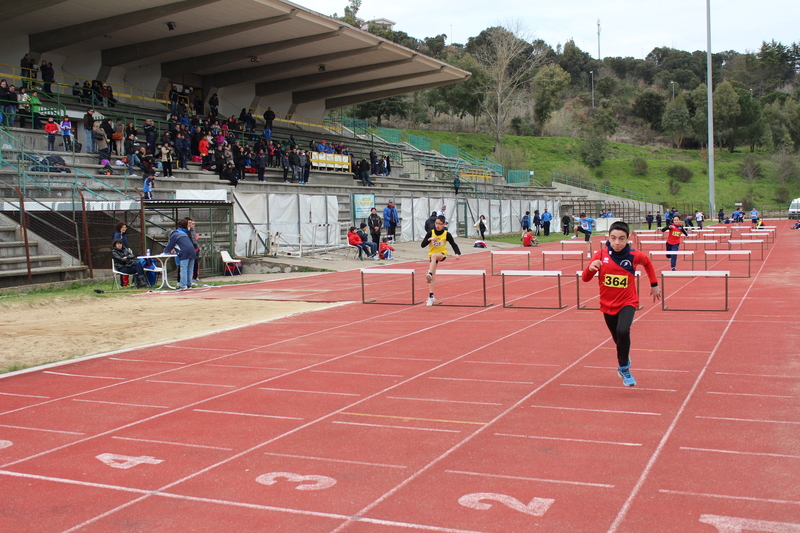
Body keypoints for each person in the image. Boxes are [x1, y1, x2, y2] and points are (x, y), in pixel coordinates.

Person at [581, 221, 661, 387]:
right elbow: (585, 278)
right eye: (613, 238)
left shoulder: (634, 255)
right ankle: (624, 355)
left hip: (628, 301)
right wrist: (590, 268)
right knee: (618, 339)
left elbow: (648, 263)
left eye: (621, 239)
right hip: (607, 304)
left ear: (628, 238)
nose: (617, 242)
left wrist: (654, 285)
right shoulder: (601, 254)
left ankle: (624, 368)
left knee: (623, 330)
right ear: (608, 238)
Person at [421, 215, 461, 306]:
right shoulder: (431, 233)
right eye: (436, 223)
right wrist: (429, 239)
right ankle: (431, 296)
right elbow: (422, 245)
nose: (437, 225)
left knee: (434, 257)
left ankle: (429, 274)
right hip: (431, 255)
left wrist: (457, 253)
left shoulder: (446, 234)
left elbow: (453, 244)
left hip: (441, 254)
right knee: (433, 277)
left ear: (444, 224)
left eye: (440, 224)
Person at [165, 218, 198, 290]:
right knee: (190, 269)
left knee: (183, 269)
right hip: (192, 251)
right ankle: (189, 284)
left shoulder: (174, 235)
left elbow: (170, 245)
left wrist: (165, 252)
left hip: (185, 252)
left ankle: (183, 285)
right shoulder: (183, 234)